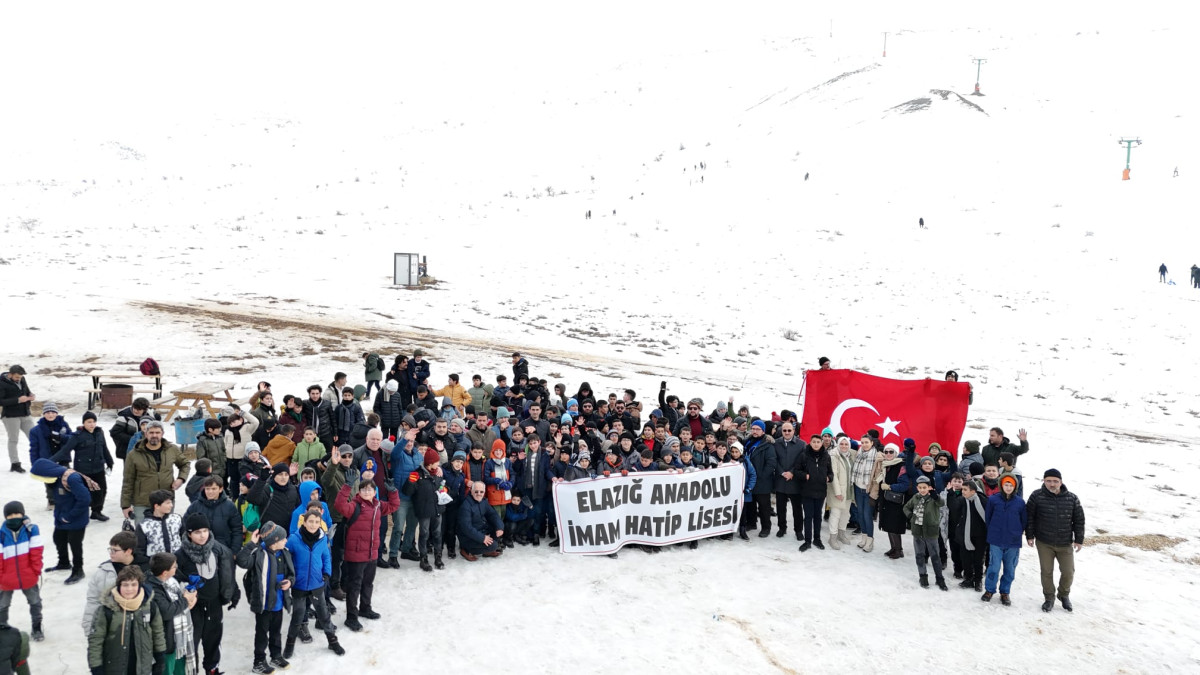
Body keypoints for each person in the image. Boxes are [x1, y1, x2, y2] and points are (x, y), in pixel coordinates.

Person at [333, 465, 399, 632]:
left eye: (370, 489)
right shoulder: (354, 506)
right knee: (354, 585)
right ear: (359, 492)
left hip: (372, 553)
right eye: (364, 490)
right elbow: (340, 505)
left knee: (368, 583)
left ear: (375, 492)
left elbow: (394, 506)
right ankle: (351, 617)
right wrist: (347, 486)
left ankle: (365, 608)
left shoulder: (378, 506)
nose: (367, 492)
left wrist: (392, 491)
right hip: (355, 553)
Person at [173, 513, 234, 675]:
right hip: (194, 607)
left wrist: (231, 592)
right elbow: (175, 581)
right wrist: (186, 588)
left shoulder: (216, 549)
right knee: (192, 642)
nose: (202, 536)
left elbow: (227, 572)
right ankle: (192, 671)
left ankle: (212, 669)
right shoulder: (180, 556)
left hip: (214, 603)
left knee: (214, 639)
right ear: (189, 534)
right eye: (197, 532)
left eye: (205, 531)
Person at [236, 522, 295, 673]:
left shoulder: (284, 553)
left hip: (279, 602)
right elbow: (242, 561)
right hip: (263, 604)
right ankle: (259, 661)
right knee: (262, 634)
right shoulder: (258, 554)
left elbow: (291, 574)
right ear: (274, 541)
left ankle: (275, 655)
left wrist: (289, 582)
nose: (286, 541)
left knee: (276, 631)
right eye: (283, 539)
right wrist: (251, 544)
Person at [86, 565, 166, 675]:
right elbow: (96, 640)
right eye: (125, 585)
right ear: (119, 586)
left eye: (134, 584)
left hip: (143, 667)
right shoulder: (107, 610)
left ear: (139, 586)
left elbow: (158, 634)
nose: (129, 589)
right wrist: (96, 667)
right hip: (114, 668)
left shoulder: (150, 607)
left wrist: (160, 657)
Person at [285, 508, 344, 658]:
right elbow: (286, 559)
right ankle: (289, 644)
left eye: (316, 522)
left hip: (317, 583)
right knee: (298, 615)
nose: (313, 525)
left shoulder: (322, 539)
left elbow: (326, 557)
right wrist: (291, 576)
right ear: (304, 522)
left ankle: (332, 641)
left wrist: (326, 573)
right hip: (299, 585)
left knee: (324, 614)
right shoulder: (293, 539)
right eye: (310, 521)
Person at [1025, 468, 1085, 613]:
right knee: (1046, 571)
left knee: (1068, 571)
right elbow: (1029, 517)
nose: (1052, 484)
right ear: (1044, 481)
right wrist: (1030, 535)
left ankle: (1063, 595)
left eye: (1055, 481)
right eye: (1048, 481)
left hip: (1065, 543)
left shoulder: (1072, 498)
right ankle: (1049, 598)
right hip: (1044, 542)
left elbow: (1079, 520)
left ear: (1061, 482)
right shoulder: (1036, 496)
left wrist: (1079, 539)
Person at [30, 459, 92, 584]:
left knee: (75, 544)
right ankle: (64, 563)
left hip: (76, 518)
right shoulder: (55, 480)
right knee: (58, 538)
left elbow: (85, 500)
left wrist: (70, 516)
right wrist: (59, 516)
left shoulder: (71, 479)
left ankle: (78, 569)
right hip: (62, 517)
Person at [121, 422, 190, 525]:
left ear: (162, 434)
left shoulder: (172, 449)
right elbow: (128, 480)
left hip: (165, 499)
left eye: (157, 432)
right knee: (143, 534)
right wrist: (125, 505)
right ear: (146, 433)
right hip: (142, 501)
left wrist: (181, 479)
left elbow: (185, 464)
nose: (154, 435)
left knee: (166, 531)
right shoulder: (134, 454)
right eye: (151, 432)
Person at [53, 411, 113, 521]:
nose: (92, 424)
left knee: (101, 490)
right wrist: (50, 461)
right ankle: (80, 513)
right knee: (84, 494)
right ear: (83, 423)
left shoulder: (100, 432)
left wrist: (109, 461)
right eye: (89, 422)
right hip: (83, 470)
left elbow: (104, 447)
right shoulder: (77, 436)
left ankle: (96, 511)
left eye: (94, 421)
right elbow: (65, 450)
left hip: (98, 468)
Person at [146, 552, 198, 675]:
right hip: (167, 641)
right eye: (174, 566)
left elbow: (181, 598)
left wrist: (190, 598)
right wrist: (185, 600)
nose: (177, 568)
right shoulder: (153, 588)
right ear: (165, 572)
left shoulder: (171, 581)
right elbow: (167, 611)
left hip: (180, 640)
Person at [0, 502, 42, 642]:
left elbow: (36, 552)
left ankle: (37, 627)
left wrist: (36, 570)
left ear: (22, 514)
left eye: (16, 514)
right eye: (10, 515)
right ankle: (3, 629)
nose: (13, 517)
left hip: (28, 575)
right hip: (6, 578)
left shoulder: (31, 530)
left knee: (35, 602)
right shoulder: (1, 534)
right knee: (2, 605)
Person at [320, 445, 357, 599]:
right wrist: (333, 464)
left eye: (350, 456)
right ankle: (334, 585)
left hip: (352, 518)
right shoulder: (333, 471)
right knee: (337, 555)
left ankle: (344, 582)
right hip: (337, 519)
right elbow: (326, 481)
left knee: (348, 553)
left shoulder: (355, 472)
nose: (347, 459)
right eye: (344, 456)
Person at [983, 475, 1026, 606]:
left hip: (1012, 541)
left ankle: (1005, 592)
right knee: (994, 567)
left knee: (1010, 569)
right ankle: (989, 590)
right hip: (996, 540)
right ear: (1001, 485)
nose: (1008, 487)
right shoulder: (993, 499)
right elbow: (988, 517)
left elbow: (1024, 520)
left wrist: (1017, 532)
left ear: (1015, 487)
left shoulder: (1020, 502)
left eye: (1011, 485)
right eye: (1006, 485)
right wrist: (993, 531)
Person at [82, 531, 136, 635]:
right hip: (114, 628)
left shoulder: (146, 568)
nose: (111, 553)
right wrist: (89, 628)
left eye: (115, 550)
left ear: (128, 551)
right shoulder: (103, 572)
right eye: (110, 549)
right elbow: (93, 601)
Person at [402, 448, 447, 571]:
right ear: (430, 463)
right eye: (436, 462)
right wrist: (411, 481)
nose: (438, 464)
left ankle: (438, 556)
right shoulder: (418, 474)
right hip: (424, 510)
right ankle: (424, 558)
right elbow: (407, 492)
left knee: (437, 533)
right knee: (424, 533)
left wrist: (444, 489)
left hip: (437, 508)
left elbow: (442, 486)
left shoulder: (437, 473)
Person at [904, 476, 948, 590]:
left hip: (931, 531)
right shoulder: (915, 497)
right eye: (920, 487)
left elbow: (941, 503)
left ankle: (940, 578)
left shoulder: (933, 498)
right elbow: (906, 507)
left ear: (929, 487)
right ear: (917, 488)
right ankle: (923, 576)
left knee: (935, 556)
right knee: (919, 555)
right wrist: (910, 517)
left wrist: (936, 496)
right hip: (917, 531)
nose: (922, 490)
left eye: (925, 487)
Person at [184, 477, 242, 554]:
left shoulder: (230, 506)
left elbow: (237, 529)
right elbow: (185, 527)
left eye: (214, 489)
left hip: (224, 550)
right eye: (207, 489)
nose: (210, 492)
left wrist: (234, 551)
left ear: (220, 489)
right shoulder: (195, 506)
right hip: (200, 551)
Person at [794, 433, 832, 551]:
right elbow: (796, 471)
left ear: (822, 443)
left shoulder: (826, 456)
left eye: (818, 442)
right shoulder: (804, 455)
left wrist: (829, 478)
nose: (816, 444)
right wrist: (805, 476)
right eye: (814, 442)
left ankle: (817, 539)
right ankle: (807, 540)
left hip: (820, 491)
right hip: (807, 491)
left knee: (818, 516)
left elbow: (830, 472)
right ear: (810, 443)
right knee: (808, 516)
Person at [133, 490, 184, 570]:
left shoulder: (177, 519)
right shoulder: (144, 525)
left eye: (171, 502)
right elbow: (139, 550)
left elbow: (185, 539)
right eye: (167, 503)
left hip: (178, 564)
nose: (171, 505)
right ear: (156, 506)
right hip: (156, 567)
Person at [876, 443, 910, 559]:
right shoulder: (886, 465)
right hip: (887, 500)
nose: (888, 454)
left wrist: (890, 487)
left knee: (894, 526)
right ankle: (893, 548)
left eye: (891, 452)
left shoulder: (901, 466)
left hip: (896, 502)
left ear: (896, 453)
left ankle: (899, 550)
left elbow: (904, 485)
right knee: (888, 525)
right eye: (886, 452)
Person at [953, 479, 988, 591]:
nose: (962, 492)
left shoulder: (983, 500)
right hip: (965, 534)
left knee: (978, 560)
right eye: (962, 489)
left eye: (965, 490)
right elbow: (954, 509)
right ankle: (968, 578)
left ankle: (978, 581)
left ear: (973, 491)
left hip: (980, 535)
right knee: (965, 558)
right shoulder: (962, 500)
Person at [773, 422, 804, 541]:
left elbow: (801, 461)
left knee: (797, 508)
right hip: (780, 480)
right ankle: (782, 527)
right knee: (781, 507)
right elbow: (774, 459)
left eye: (789, 430)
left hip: (795, 481)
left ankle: (798, 530)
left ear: (793, 431)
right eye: (784, 430)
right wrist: (781, 472)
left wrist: (792, 472)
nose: (787, 433)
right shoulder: (776, 443)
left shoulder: (801, 444)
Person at [0, 365, 35, 473]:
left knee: (35, 437)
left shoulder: (22, 379)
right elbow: (1, 401)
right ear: (10, 374)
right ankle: (15, 464)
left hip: (25, 413)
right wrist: (17, 400)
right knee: (13, 440)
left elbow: (27, 391)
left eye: (20, 377)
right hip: (10, 416)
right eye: (16, 377)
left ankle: (40, 461)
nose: (19, 379)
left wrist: (30, 395)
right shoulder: (1, 383)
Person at [744, 421, 776, 537]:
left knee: (764, 506)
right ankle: (752, 523)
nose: (755, 431)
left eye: (758, 429)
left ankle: (766, 527)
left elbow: (771, 463)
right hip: (749, 480)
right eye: (753, 428)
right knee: (750, 504)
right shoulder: (747, 442)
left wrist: (761, 476)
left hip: (762, 481)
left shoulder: (768, 445)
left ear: (763, 431)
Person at [457, 482, 504, 561]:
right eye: (476, 491)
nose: (479, 494)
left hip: (480, 530)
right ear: (471, 491)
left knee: (496, 530)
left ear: (484, 492)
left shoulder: (483, 501)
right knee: (494, 546)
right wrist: (482, 538)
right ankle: (466, 550)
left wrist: (499, 527)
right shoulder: (466, 506)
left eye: (481, 492)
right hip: (467, 537)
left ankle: (486, 550)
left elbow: (492, 514)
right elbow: (466, 528)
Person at [108, 397, 161, 462]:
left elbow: (158, 424)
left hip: (147, 449)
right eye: (134, 408)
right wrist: (134, 440)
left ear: (144, 410)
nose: (135, 411)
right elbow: (115, 433)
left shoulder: (151, 415)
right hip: (129, 450)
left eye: (138, 410)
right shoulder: (125, 416)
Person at [852, 434, 880, 552]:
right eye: (862, 442)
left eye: (866, 442)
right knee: (860, 513)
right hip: (858, 487)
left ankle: (870, 540)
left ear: (872, 443)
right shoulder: (859, 454)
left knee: (867, 515)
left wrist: (874, 491)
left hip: (868, 490)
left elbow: (878, 475)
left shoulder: (877, 456)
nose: (864, 445)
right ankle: (863, 537)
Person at [826, 437, 855, 549]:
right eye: (841, 444)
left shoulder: (850, 456)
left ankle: (841, 533)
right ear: (838, 445)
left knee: (845, 513)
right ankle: (832, 537)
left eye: (846, 444)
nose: (844, 446)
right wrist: (837, 492)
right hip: (837, 491)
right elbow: (834, 475)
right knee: (835, 514)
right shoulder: (834, 456)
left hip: (848, 490)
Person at [302, 385, 334, 451]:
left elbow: (332, 418)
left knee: (328, 452)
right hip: (311, 433)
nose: (315, 396)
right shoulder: (305, 404)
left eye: (317, 393)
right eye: (313, 394)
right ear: (309, 394)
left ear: (320, 394)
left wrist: (335, 433)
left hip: (325, 432)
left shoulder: (327, 403)